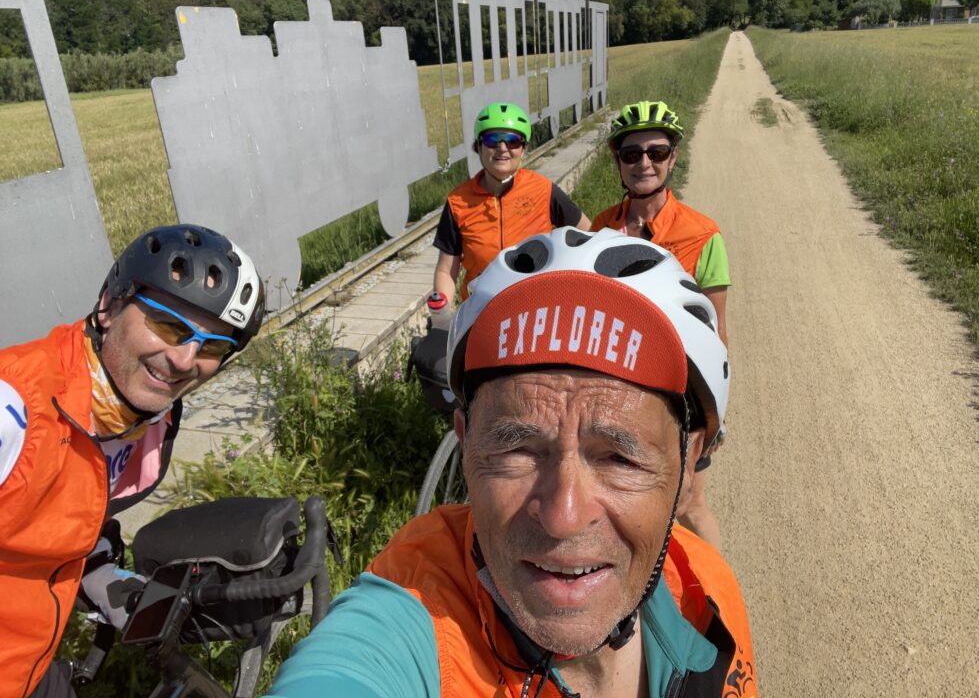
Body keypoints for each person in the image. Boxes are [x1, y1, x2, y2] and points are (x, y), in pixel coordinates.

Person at [268, 227, 756, 698]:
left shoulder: (709, 595)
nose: (564, 517)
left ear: (688, 461)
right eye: (517, 449)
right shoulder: (413, 615)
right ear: (466, 444)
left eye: (618, 458)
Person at [0, 224, 266, 698]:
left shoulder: (143, 419)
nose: (185, 360)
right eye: (168, 325)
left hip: (30, 661)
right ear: (109, 306)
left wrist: (103, 573)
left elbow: (71, 506)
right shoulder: (15, 411)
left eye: (212, 347)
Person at [592, 100, 731, 549]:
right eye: (631, 154)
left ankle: (716, 602)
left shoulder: (703, 234)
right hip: (617, 384)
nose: (644, 163)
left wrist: (715, 415)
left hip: (679, 386)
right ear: (618, 162)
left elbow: (717, 331)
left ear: (673, 158)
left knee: (688, 502)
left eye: (656, 151)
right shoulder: (601, 229)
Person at [431, 102, 590, 308]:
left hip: (537, 307)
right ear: (478, 146)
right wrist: (440, 317)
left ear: (523, 149)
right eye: (492, 140)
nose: (502, 148)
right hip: (481, 310)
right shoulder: (458, 202)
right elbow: (446, 270)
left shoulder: (543, 190)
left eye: (513, 141)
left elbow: (587, 234)